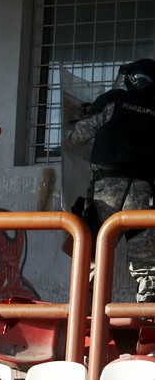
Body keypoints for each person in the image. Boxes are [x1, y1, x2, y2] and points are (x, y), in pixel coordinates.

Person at [66, 58, 155, 303]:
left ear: (134, 79)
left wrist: (76, 123)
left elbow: (76, 138)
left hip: (108, 185)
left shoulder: (115, 99)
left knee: (95, 245)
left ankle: (87, 301)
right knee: (143, 247)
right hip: (143, 188)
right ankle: (148, 303)